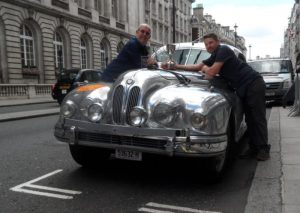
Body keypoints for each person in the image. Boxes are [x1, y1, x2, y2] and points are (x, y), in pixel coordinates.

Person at [162, 33, 270, 161]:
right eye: (206, 44)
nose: (209, 46)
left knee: (257, 118)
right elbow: (197, 67)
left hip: (253, 83)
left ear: (217, 42)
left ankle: (263, 149)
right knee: (250, 119)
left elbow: (211, 73)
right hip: (244, 88)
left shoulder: (224, 50)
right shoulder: (215, 56)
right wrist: (176, 66)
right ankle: (254, 148)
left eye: (211, 43)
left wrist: (206, 69)